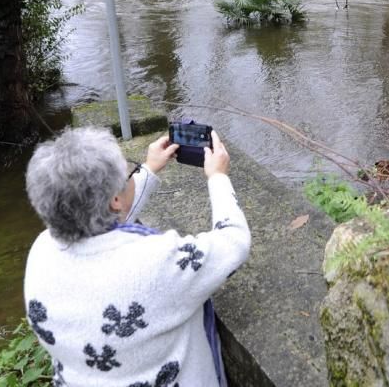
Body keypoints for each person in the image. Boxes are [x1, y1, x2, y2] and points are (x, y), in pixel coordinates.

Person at [23, 126, 250, 387]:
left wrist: (149, 168)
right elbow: (233, 242)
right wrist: (218, 176)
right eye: (125, 172)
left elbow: (102, 224)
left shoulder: (42, 252)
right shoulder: (156, 262)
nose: (128, 175)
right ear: (115, 199)